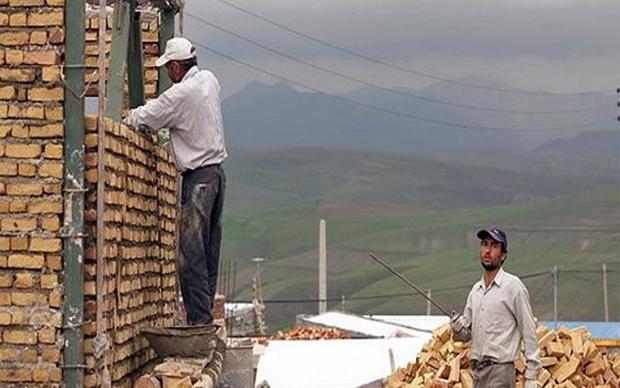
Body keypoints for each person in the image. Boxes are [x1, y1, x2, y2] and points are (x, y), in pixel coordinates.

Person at [124, 37, 227, 325]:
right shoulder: (209, 80)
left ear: (179, 66)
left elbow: (145, 116)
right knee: (208, 249)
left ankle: (197, 321)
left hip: (198, 179)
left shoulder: (180, 95)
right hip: (217, 175)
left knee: (190, 251)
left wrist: (129, 118)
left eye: (169, 67)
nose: (168, 73)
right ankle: (203, 316)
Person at [450, 227, 540, 388]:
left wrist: (531, 377)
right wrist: (457, 329)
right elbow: (466, 335)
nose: (487, 250)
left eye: (494, 246)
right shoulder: (476, 291)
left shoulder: (513, 287)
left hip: (501, 372)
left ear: (503, 255)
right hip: (478, 373)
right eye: (484, 244)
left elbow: (528, 330)